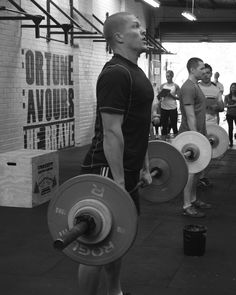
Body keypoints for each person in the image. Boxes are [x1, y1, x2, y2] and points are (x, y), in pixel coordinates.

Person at [79, 12, 154, 295]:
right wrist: (119, 182)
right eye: (136, 26)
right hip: (106, 169)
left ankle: (115, 292)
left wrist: (144, 166)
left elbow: (139, 125)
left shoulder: (135, 71)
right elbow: (112, 131)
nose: (143, 30)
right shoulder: (115, 74)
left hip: (128, 170)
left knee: (117, 238)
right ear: (119, 37)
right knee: (95, 245)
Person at [179, 57, 211, 218]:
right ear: (192, 69)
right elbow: (190, 115)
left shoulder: (195, 86)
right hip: (190, 135)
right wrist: (195, 138)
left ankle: (193, 198)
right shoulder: (187, 88)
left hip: (199, 133)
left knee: (197, 169)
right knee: (190, 172)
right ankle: (186, 205)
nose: (204, 70)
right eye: (201, 68)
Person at [198, 63, 224, 187]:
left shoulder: (216, 89)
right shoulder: (196, 88)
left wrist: (216, 106)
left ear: (211, 73)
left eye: (208, 73)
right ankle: (195, 176)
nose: (206, 75)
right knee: (197, 150)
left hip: (212, 124)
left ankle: (202, 177)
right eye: (203, 73)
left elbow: (222, 106)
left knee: (206, 152)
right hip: (198, 124)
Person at [158, 70, 180, 140]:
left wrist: (171, 95)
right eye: (166, 76)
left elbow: (179, 98)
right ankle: (163, 141)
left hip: (172, 107)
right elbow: (159, 98)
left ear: (172, 76)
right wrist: (160, 95)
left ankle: (177, 141)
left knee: (174, 125)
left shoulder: (175, 86)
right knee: (164, 125)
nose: (167, 78)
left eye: (169, 76)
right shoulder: (163, 85)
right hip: (164, 107)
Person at [224, 82, 236, 148]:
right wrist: (233, 105)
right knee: (230, 128)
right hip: (229, 115)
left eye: (234, 87)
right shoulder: (227, 96)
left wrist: (230, 106)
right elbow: (225, 105)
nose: (233, 89)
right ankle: (231, 142)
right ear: (230, 88)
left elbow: (227, 105)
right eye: (232, 87)